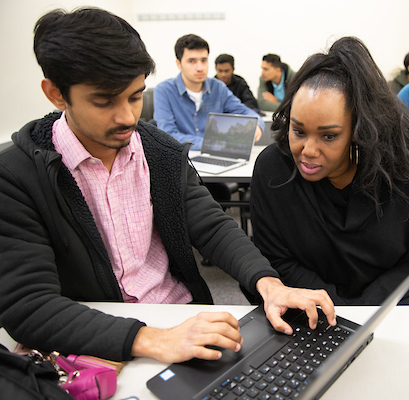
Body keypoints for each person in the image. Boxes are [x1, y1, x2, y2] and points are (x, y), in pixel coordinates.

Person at [0, 7, 335, 364]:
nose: (128, 116)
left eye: (135, 96)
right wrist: (153, 340)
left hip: (180, 320)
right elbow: (27, 304)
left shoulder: (157, 151)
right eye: (104, 101)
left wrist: (268, 284)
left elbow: (211, 224)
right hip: (93, 340)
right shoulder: (19, 174)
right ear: (56, 94)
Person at [249, 36, 409, 306]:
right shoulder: (274, 169)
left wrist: (370, 305)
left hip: (393, 301)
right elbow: (274, 257)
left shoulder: (403, 170)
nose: (308, 150)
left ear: (361, 132)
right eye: (298, 131)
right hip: (308, 303)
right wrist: (336, 308)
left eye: (329, 136)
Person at [154, 34, 263, 150]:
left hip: (216, 155)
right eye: (192, 61)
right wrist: (212, 143)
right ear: (179, 64)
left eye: (204, 60)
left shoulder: (218, 87)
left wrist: (256, 125)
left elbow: (245, 112)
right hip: (181, 159)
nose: (200, 67)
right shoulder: (164, 91)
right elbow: (168, 135)